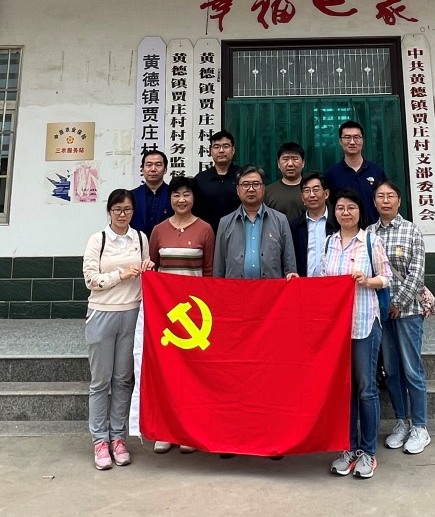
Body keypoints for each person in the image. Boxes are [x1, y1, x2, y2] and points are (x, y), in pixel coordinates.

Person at [317, 188, 391, 480]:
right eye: (340, 208)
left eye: (351, 207)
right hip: (338, 329)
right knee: (344, 389)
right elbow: (322, 281)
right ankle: (347, 448)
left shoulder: (371, 241)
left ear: (360, 211)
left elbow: (386, 278)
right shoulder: (329, 243)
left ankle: (368, 452)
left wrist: (367, 280)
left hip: (364, 323)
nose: (345, 212)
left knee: (366, 389)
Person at [82, 188, 153, 470]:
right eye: (117, 210)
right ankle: (100, 441)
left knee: (123, 379)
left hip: (132, 314)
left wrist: (148, 266)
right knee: (101, 381)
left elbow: (146, 272)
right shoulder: (97, 240)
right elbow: (90, 279)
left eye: (127, 210)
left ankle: (118, 438)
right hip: (102, 313)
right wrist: (120, 276)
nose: (122, 215)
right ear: (109, 211)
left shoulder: (140, 238)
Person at [144, 175, 213, 455]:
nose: (181, 199)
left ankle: (189, 432)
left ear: (194, 198)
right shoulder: (159, 230)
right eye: (176, 195)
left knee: (193, 374)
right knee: (167, 372)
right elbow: (152, 268)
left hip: (195, 314)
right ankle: (165, 431)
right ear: (170, 198)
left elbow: (209, 271)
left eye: (186, 194)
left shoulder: (205, 229)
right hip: (166, 315)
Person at [373, 179, 430, 455]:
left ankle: (420, 426)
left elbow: (417, 274)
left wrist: (397, 303)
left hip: (407, 313)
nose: (385, 200)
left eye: (390, 196)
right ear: (374, 202)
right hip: (381, 315)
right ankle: (401, 421)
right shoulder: (369, 233)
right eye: (380, 196)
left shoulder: (411, 231)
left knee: (411, 369)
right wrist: (385, 307)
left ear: (399, 201)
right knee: (391, 370)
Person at [212, 167, 297, 280]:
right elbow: (219, 267)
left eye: (256, 184)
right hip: (235, 289)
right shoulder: (225, 223)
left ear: (263, 188)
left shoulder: (280, 220)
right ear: (238, 189)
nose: (251, 189)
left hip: (271, 289)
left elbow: (289, 265)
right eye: (245, 185)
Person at [326, 120, 387, 227]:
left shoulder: (376, 171)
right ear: (340, 141)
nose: (352, 142)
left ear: (362, 140)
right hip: (344, 231)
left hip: (374, 230)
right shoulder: (332, 174)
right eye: (347, 137)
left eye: (356, 137)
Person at [191, 130, 243, 227]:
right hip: (208, 232)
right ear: (210, 151)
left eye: (226, 146)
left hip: (239, 231)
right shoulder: (200, 179)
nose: (221, 150)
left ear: (233, 150)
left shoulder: (243, 176)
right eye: (216, 147)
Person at [290, 171, 332, 278]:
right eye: (307, 191)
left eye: (316, 190)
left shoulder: (337, 223)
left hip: (332, 283)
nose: (312, 195)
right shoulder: (294, 226)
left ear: (326, 194)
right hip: (304, 283)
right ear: (302, 197)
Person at [130, 149, 173, 238]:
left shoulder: (173, 195)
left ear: (165, 169)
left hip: (167, 244)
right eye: (149, 165)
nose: (153, 169)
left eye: (158, 165)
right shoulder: (131, 196)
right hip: (137, 244)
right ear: (142, 169)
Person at [263, 141, 308, 222]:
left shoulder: (313, 191)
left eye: (295, 159)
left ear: (303, 163)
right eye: (285, 159)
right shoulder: (267, 191)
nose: (290, 164)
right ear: (278, 164)